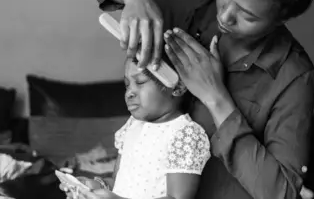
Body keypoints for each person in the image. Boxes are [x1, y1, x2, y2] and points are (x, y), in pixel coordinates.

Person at [88, 0, 314, 199]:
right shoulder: (192, 8)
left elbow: (283, 193)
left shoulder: (294, 77)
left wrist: (216, 98)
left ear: (280, 19)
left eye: (247, 15)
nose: (224, 15)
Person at [60, 57, 212, 199]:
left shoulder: (185, 134)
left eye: (140, 82)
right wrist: (94, 187)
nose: (129, 93)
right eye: (127, 85)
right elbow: (118, 184)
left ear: (177, 87)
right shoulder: (132, 126)